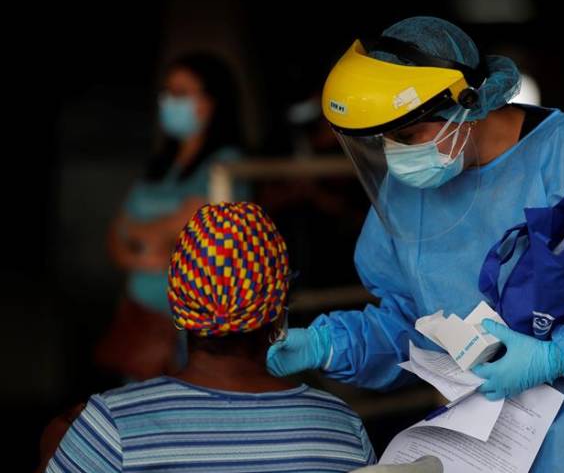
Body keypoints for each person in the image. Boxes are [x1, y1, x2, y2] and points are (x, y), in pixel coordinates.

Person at [265, 16, 564, 472]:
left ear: (466, 104)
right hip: (486, 448)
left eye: (407, 135)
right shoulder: (407, 198)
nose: (396, 153)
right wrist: (329, 346)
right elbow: (412, 328)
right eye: (384, 139)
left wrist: (563, 353)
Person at [47, 202, 376, 472]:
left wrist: (57, 445)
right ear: (278, 307)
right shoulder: (340, 426)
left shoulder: (110, 427)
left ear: (177, 303)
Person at [99, 52, 250, 379]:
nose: (169, 102)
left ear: (212, 101)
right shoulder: (159, 164)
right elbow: (116, 232)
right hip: (142, 320)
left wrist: (138, 232)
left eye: (180, 93)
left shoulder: (226, 164)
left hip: (192, 327)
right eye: (166, 93)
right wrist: (142, 253)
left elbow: (191, 223)